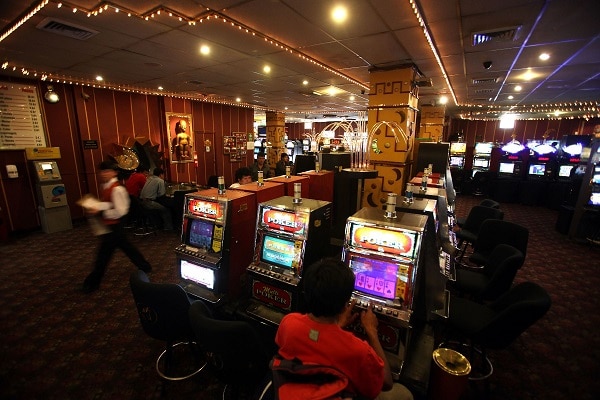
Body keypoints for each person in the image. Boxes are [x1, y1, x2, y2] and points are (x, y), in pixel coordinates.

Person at [275, 258, 413, 400]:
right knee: (403, 393)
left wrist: (337, 326)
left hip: (292, 389)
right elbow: (386, 382)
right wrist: (372, 332)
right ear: (345, 305)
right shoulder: (357, 350)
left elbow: (316, 341)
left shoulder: (288, 322)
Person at [82, 161, 152, 294]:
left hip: (115, 226)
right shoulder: (107, 186)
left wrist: (100, 211)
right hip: (112, 226)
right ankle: (145, 266)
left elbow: (121, 211)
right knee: (127, 248)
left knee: (103, 256)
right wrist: (99, 207)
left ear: (114, 173)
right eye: (102, 171)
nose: (104, 174)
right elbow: (109, 204)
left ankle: (91, 283)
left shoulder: (117, 189)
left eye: (107, 171)